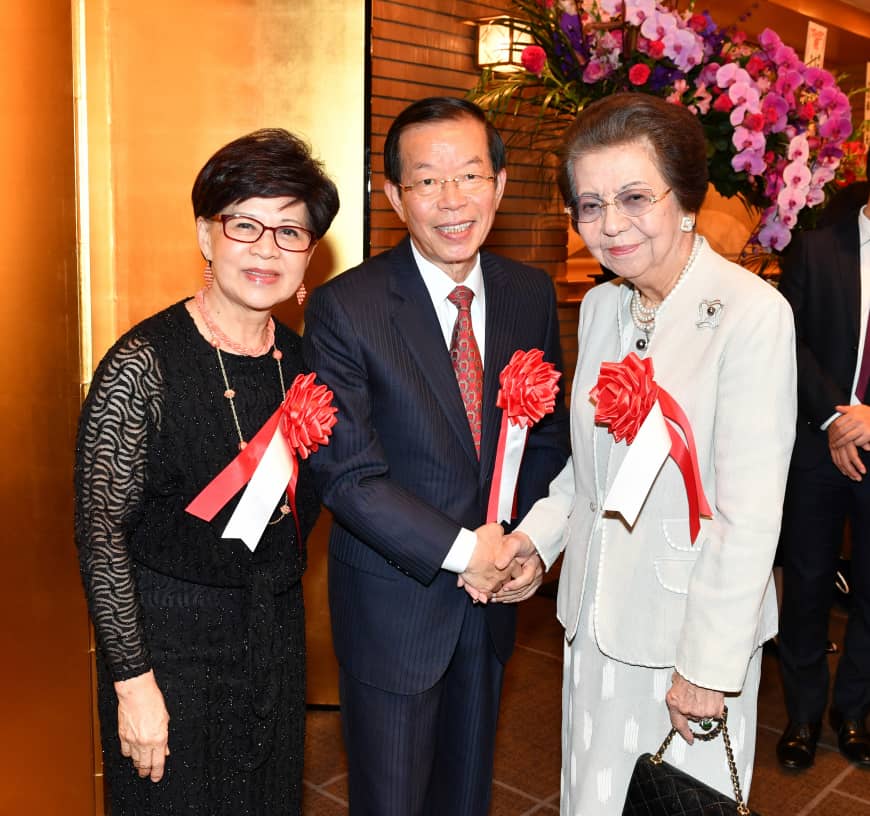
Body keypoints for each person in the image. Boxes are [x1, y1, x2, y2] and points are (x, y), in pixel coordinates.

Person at [502, 93, 797, 814]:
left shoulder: (751, 315)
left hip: (684, 642)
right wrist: (535, 544)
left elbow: (749, 516)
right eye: (591, 203)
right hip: (595, 624)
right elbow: (590, 467)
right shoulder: (604, 307)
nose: (611, 225)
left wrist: (707, 666)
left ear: (685, 198)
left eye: (635, 197)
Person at [302, 96, 570, 815]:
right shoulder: (345, 308)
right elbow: (348, 478)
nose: (451, 200)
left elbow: (546, 438)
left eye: (470, 176)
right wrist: (466, 551)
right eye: (426, 180)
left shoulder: (528, 293)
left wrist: (527, 547)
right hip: (396, 605)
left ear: (500, 184)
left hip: (492, 607)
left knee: (467, 794)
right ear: (394, 196)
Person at [74, 128, 339, 814]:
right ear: (205, 234)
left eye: (290, 232)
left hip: (272, 642)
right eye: (244, 224)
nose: (266, 249)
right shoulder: (143, 367)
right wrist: (132, 685)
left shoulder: (306, 363)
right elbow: (101, 539)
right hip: (168, 654)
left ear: (310, 252)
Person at [775, 182, 870, 769]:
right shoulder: (815, 249)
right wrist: (838, 416)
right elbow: (791, 340)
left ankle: (854, 710)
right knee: (807, 587)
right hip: (818, 446)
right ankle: (804, 714)